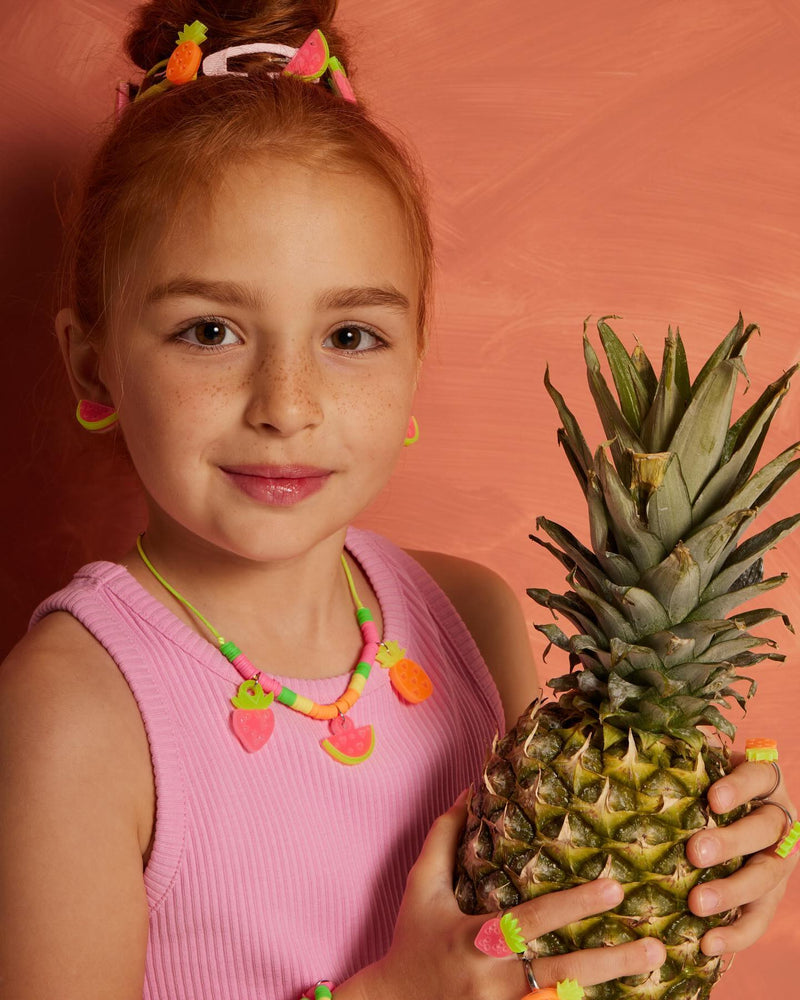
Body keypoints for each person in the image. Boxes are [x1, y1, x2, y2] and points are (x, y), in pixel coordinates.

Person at [0, 2, 795, 998]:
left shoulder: (466, 613)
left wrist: (695, 861)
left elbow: (555, 944)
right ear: (93, 363)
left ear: (417, 359)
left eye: (349, 337)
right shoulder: (74, 709)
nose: (285, 405)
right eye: (209, 331)